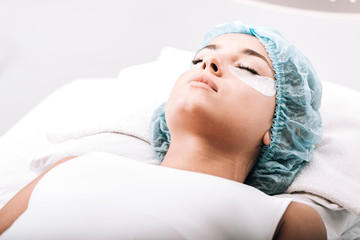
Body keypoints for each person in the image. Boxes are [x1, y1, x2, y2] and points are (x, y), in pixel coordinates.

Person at [0, 21, 326, 239]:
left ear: (278, 127)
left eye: (246, 67)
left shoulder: (284, 217)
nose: (207, 66)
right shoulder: (72, 166)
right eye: (200, 59)